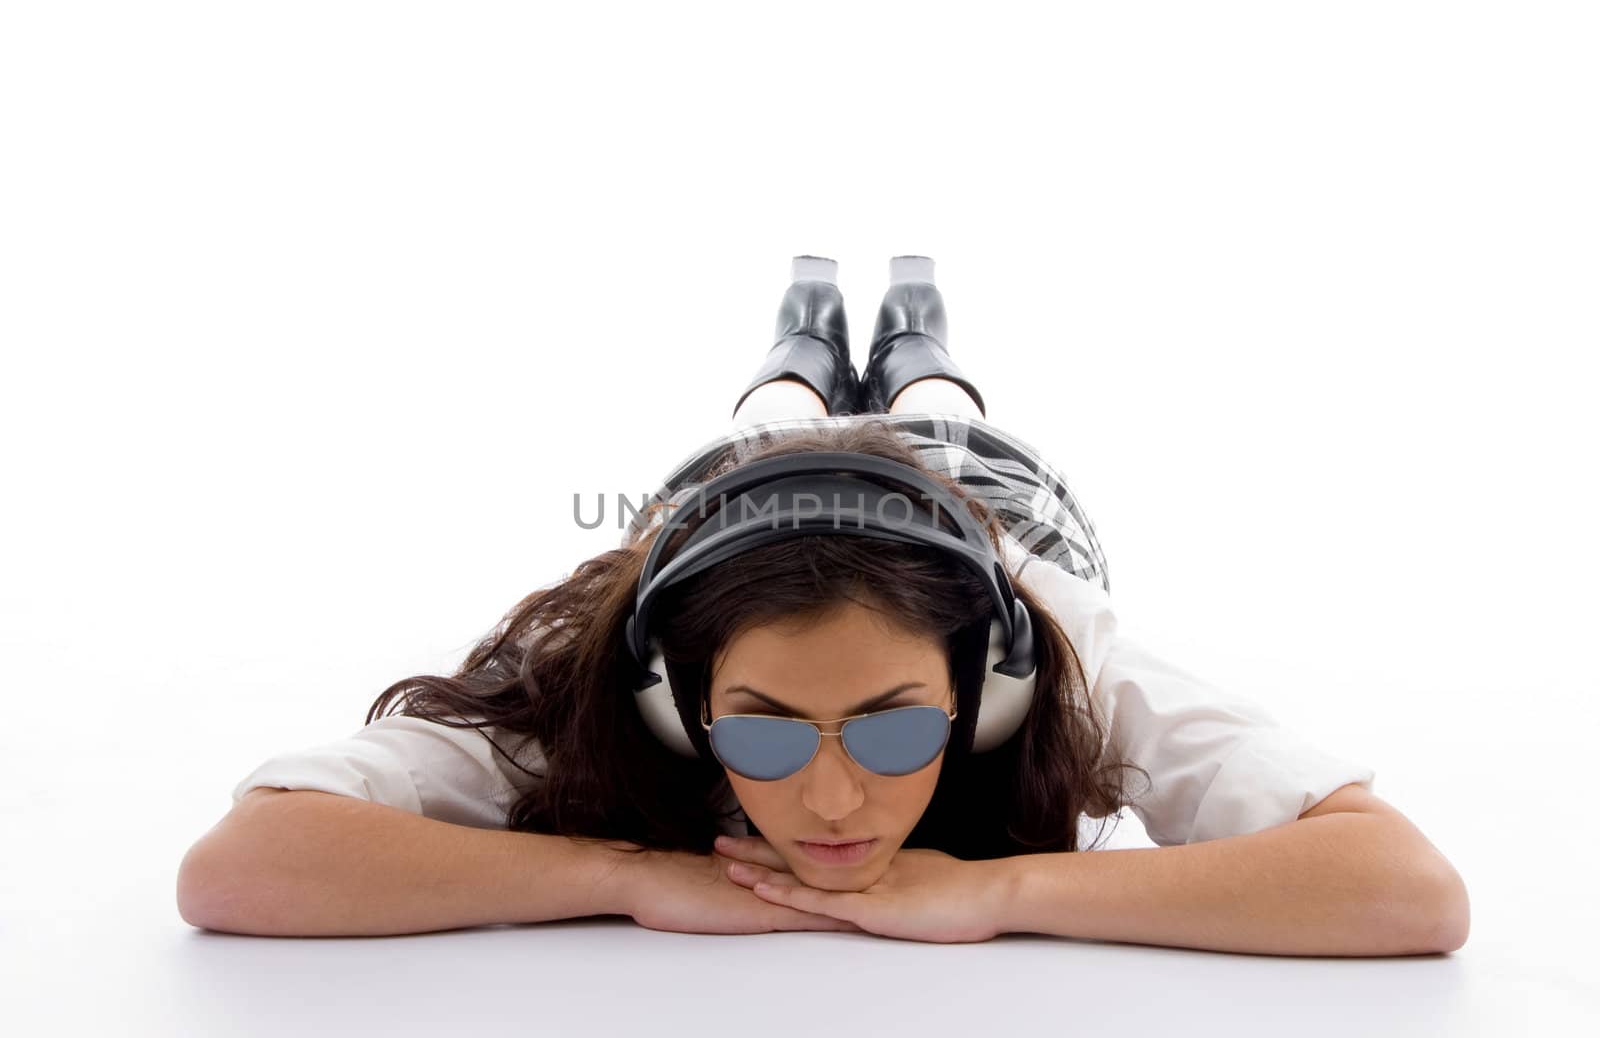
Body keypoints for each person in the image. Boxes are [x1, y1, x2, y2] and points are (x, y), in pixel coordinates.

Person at [179, 256, 1468, 954]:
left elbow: (1406, 889)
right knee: (770, 425)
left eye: (901, 727)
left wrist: (998, 896)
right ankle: (797, 347)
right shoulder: (591, 665)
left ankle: (919, 344)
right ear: (673, 703)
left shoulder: (1057, 639)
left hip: (987, 503)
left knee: (942, 421)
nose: (838, 801)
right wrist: (620, 879)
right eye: (767, 731)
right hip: (730, 498)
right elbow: (239, 869)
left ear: (985, 687)